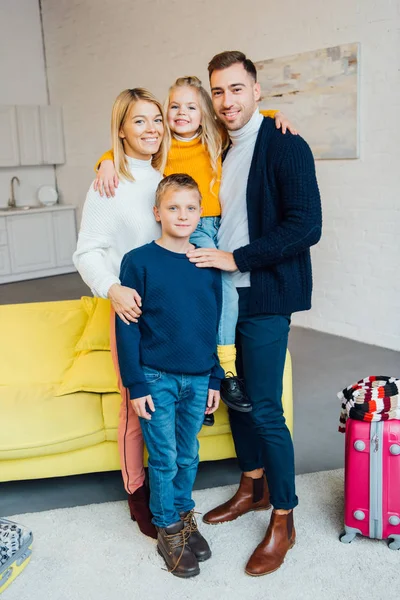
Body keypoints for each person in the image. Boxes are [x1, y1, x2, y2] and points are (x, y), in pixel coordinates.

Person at [187, 51, 322, 577]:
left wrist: (236, 258)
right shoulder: (218, 146)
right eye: (218, 92)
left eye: (236, 90)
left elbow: (306, 225)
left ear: (257, 91)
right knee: (238, 402)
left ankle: (284, 518)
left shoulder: (285, 144)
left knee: (265, 406)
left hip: (264, 294)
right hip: (223, 298)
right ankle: (253, 487)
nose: (227, 101)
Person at [94, 77, 297, 420]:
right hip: (179, 224)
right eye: (174, 106)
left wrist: (278, 115)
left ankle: (224, 372)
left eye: (191, 107)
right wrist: (105, 161)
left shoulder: (215, 138)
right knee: (187, 296)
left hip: (209, 224)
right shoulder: (163, 147)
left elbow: (245, 119)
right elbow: (130, 148)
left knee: (222, 290)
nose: (181, 113)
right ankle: (192, 381)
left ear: (204, 114)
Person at [73, 87, 170, 539]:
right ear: (122, 130)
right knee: (136, 407)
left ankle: (171, 482)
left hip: (172, 315)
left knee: (172, 401)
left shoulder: (165, 177)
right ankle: (137, 491)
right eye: (139, 121)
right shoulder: (108, 184)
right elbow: (87, 251)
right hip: (130, 312)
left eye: (157, 119)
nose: (152, 129)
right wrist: (112, 289)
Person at [115, 173, 223, 578]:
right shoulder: (139, 261)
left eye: (191, 208)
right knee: (164, 457)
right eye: (173, 207)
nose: (182, 215)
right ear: (157, 212)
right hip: (156, 378)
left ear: (200, 214)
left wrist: (214, 377)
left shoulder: (205, 264)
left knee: (189, 453)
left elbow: (209, 325)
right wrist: (136, 384)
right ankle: (167, 528)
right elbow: (128, 326)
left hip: (197, 379)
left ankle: (182, 514)